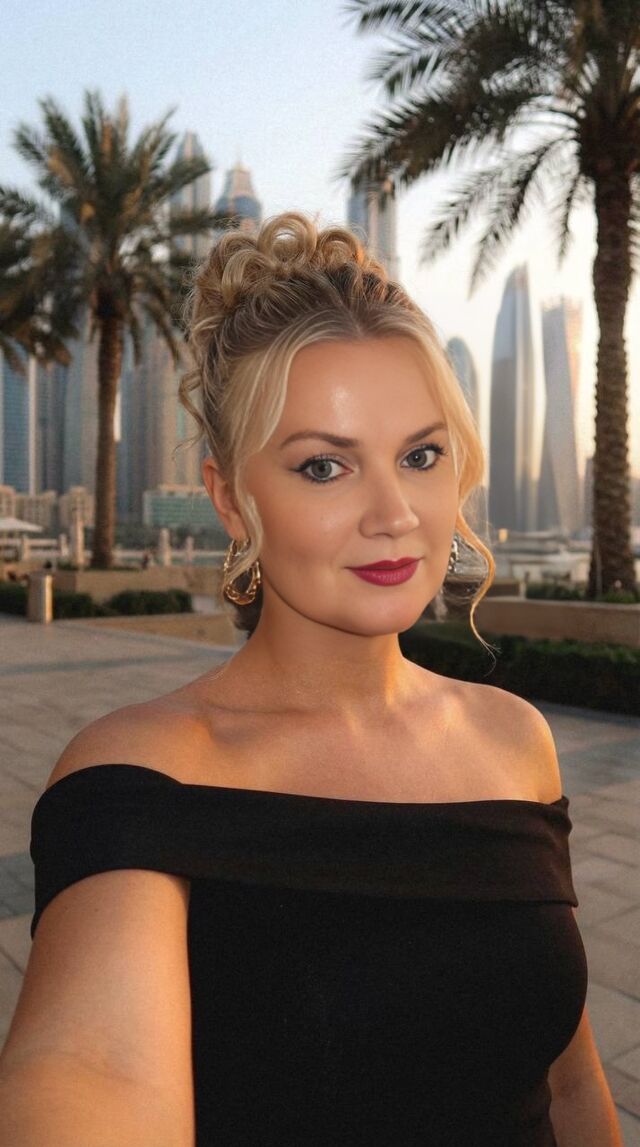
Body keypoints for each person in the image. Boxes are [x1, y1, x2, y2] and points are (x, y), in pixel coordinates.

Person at [0, 212, 622, 1146]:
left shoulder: (513, 739)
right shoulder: (139, 776)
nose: (393, 513)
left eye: (420, 455)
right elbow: (90, 1070)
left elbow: (570, 1090)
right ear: (228, 497)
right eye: (324, 466)